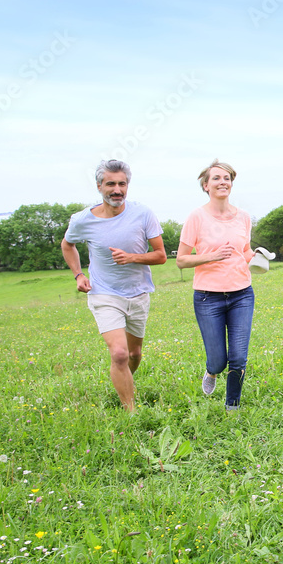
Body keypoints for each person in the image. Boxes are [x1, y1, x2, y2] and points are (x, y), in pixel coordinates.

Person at [61, 159, 166, 412]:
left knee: (134, 354)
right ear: (99, 186)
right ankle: (130, 412)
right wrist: (78, 275)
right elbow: (68, 245)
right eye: (110, 184)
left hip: (138, 293)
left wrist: (131, 257)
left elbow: (161, 255)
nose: (117, 189)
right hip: (104, 293)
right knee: (119, 354)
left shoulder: (143, 213)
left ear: (128, 186)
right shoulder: (82, 220)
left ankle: (125, 380)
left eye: (122, 184)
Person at [175, 159, 257, 413]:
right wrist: (210, 256)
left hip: (242, 294)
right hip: (208, 297)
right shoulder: (196, 217)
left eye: (227, 178)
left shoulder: (243, 217)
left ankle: (232, 406)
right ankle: (212, 371)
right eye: (217, 178)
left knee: (238, 357)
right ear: (205, 185)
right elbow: (181, 259)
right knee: (219, 360)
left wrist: (258, 257)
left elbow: (244, 251)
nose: (223, 182)